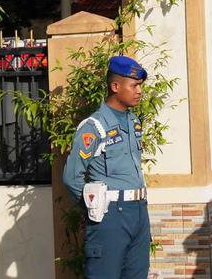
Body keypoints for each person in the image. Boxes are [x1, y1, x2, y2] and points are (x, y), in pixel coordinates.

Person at [61, 55, 152, 279]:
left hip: (138, 212)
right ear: (115, 86)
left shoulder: (134, 122)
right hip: (110, 215)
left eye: (140, 85)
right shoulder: (94, 126)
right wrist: (95, 207)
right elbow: (72, 177)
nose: (139, 91)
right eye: (134, 85)